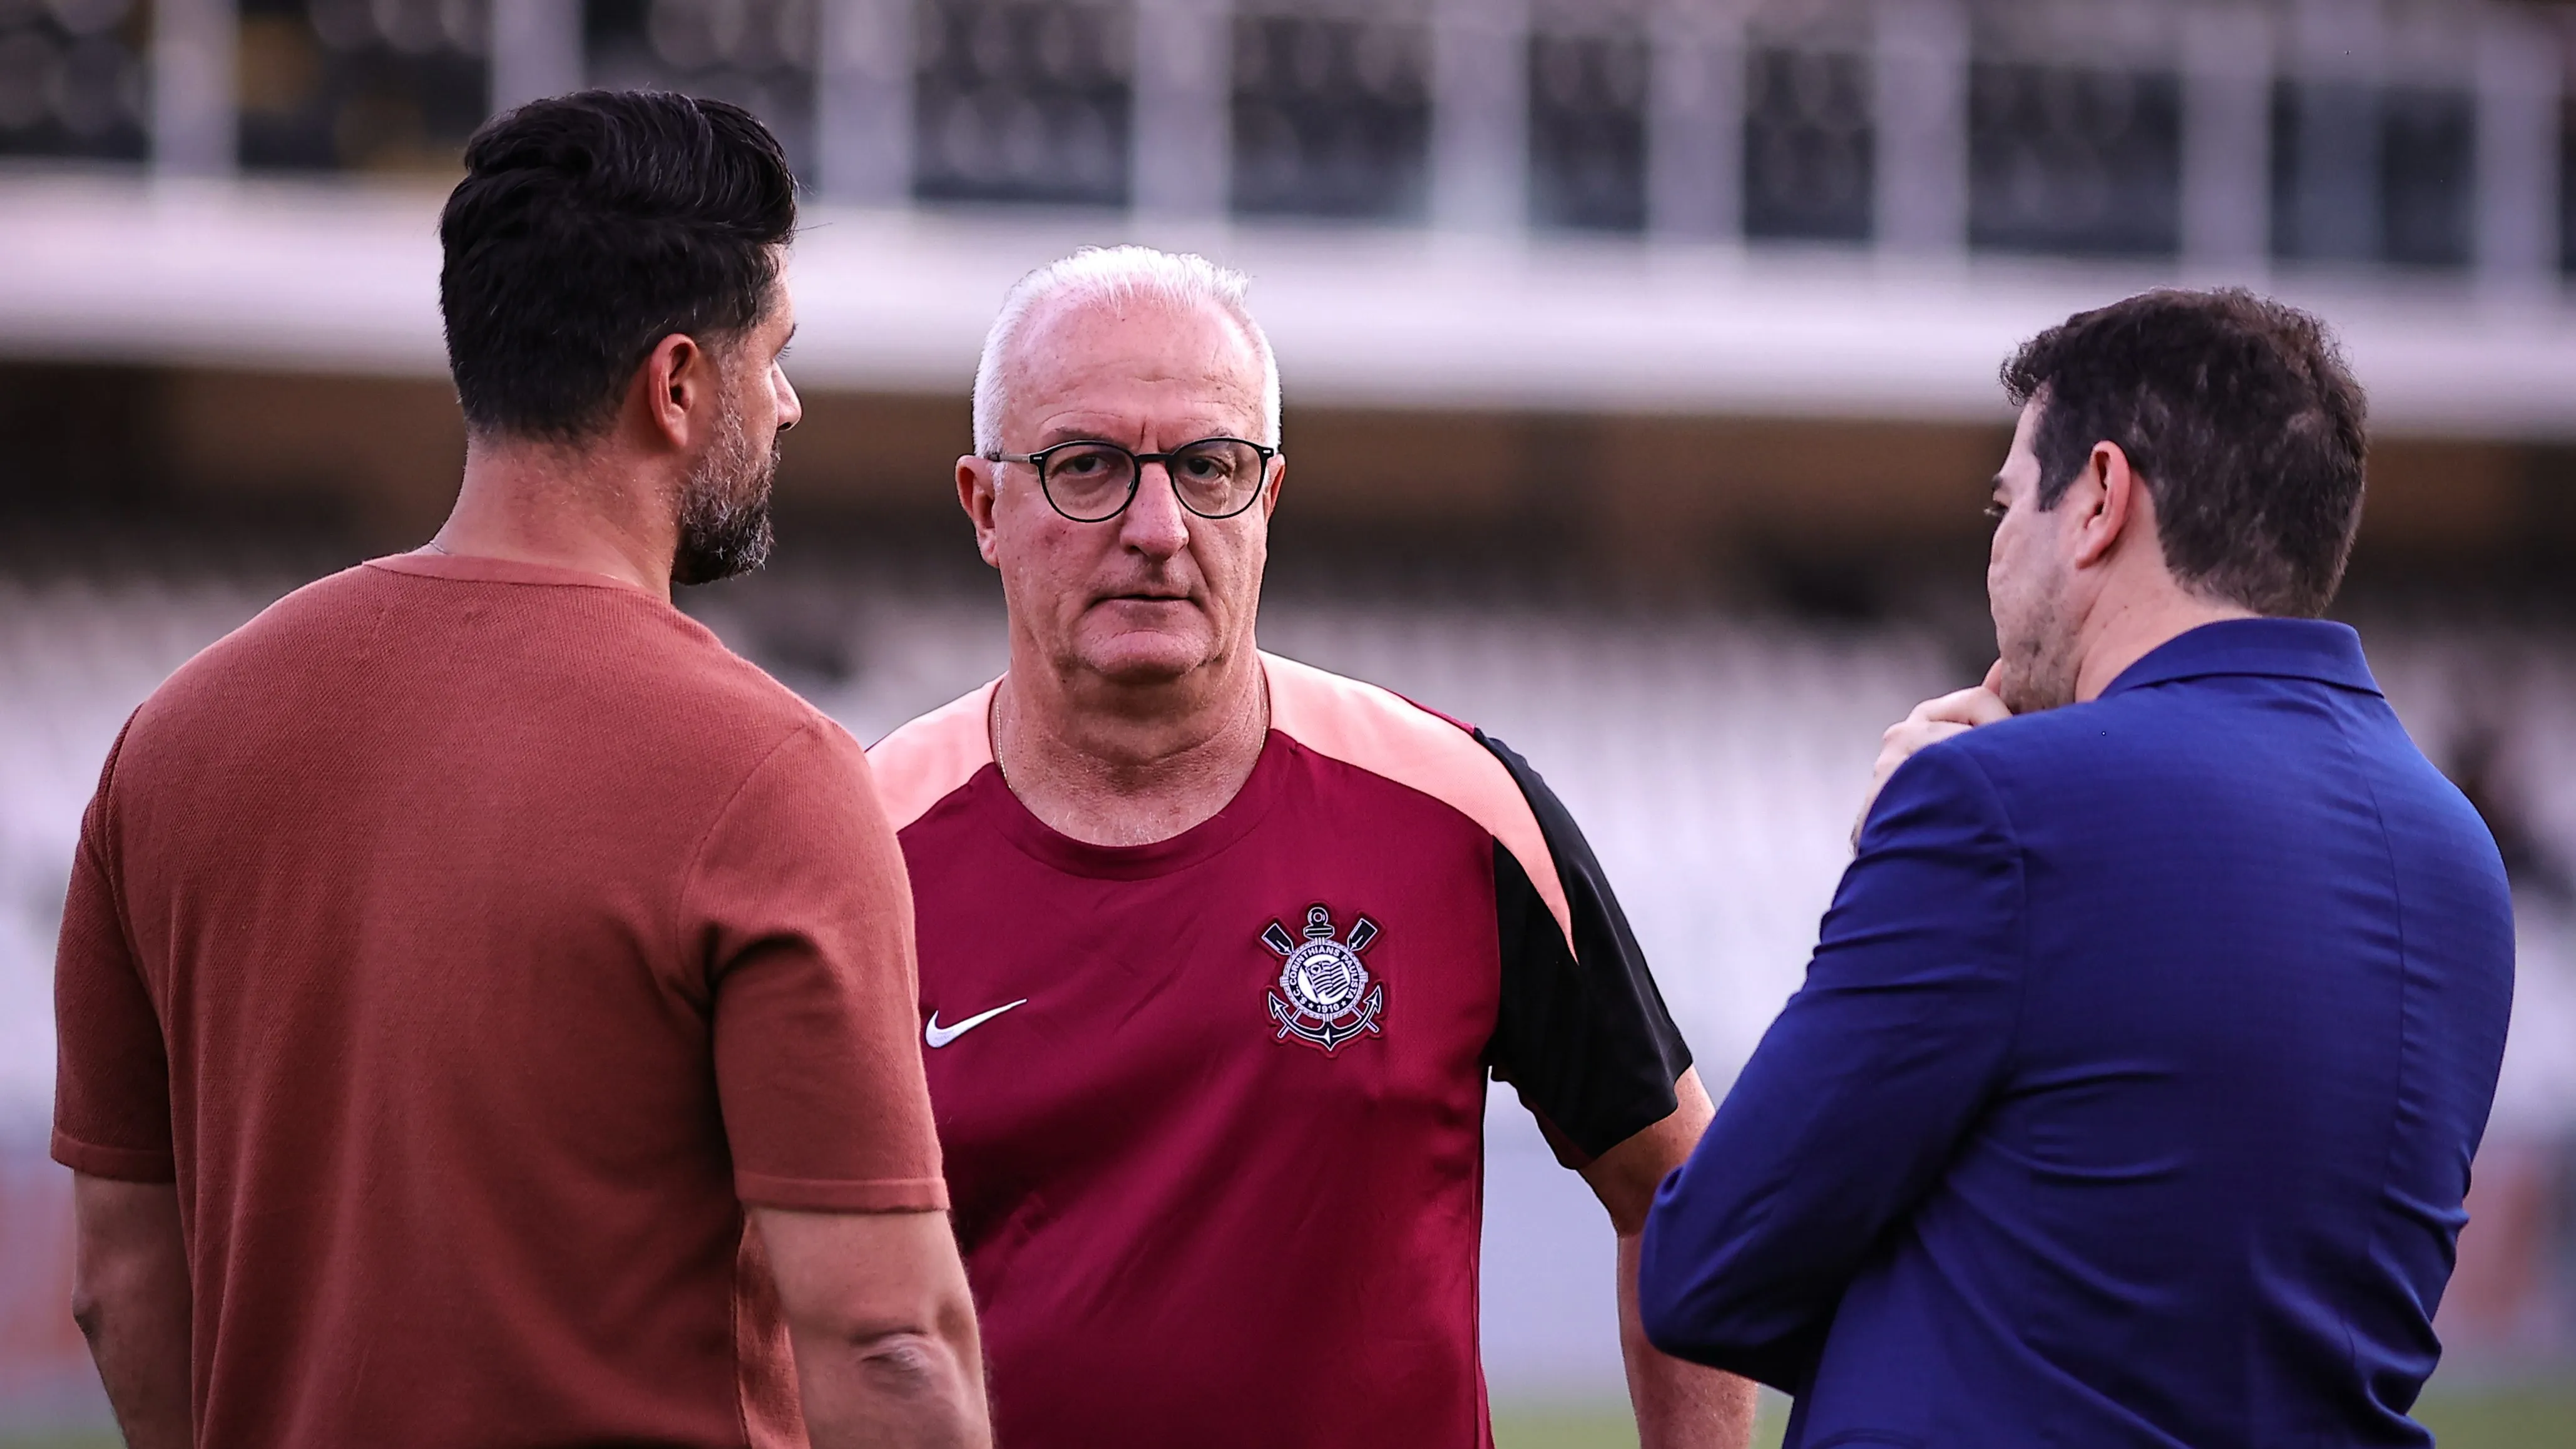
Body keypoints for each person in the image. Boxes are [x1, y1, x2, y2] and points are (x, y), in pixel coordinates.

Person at [51, 92, 989, 1449]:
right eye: (775, 353)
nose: (788, 403)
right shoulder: (770, 773)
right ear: (675, 385)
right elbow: (887, 1339)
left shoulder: (172, 740)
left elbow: (120, 1280)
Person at [865, 245, 1757, 1448]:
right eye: (1087, 467)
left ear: (1267, 499)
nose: (1158, 527)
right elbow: (745, 1274)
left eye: (1208, 467)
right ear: (985, 505)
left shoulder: (1463, 812)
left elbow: (1682, 1193)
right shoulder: (860, 848)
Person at [1638, 288, 2515, 1448]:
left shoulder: (1995, 805)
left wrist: (1892, 854)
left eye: (2007, 504)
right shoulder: (2461, 855)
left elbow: (1706, 1267)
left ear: (2099, 497)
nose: (1995, 549)